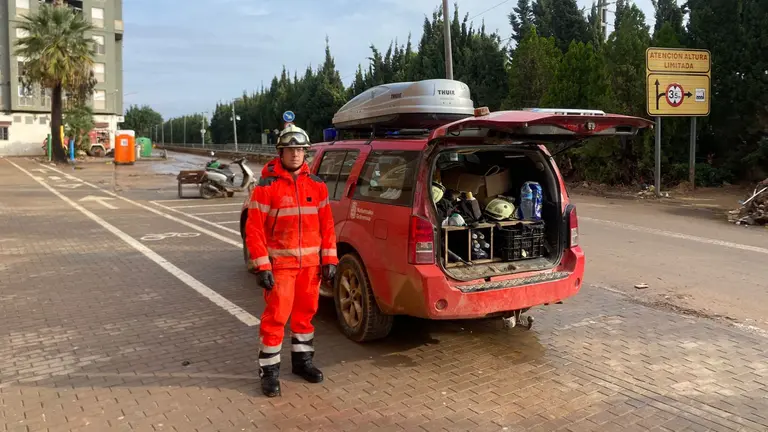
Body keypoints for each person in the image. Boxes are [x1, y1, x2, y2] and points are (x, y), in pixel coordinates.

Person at [244, 124, 338, 398]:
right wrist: (262, 265)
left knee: (305, 316)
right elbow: (255, 230)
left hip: (310, 268)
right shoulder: (266, 187)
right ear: (280, 152)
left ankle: (302, 363)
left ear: (306, 153)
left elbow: (328, 227)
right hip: (281, 267)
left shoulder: (317, 186)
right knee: (276, 319)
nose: (296, 154)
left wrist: (329, 259)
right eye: (290, 149)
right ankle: (269, 372)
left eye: (300, 150)